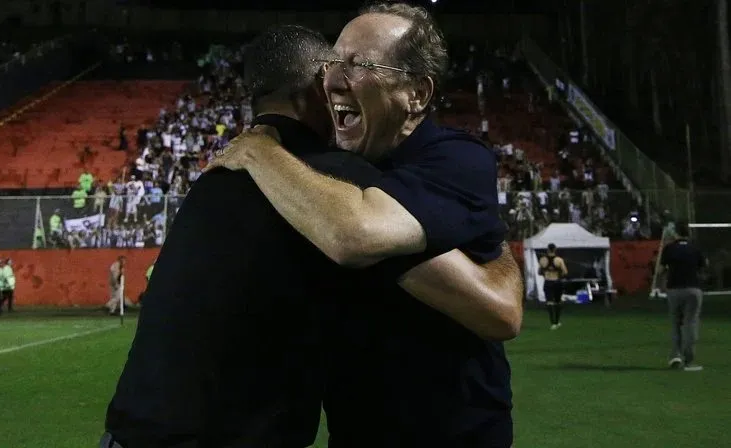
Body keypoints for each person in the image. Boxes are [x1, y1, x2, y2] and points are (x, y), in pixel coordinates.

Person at [102, 25, 520, 448]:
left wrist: (259, 148)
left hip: (129, 429)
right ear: (322, 89)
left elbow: (498, 313)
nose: (341, 81)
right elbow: (495, 307)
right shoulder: (336, 185)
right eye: (337, 67)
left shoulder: (220, 176)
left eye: (359, 65)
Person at [660, 221, 706, 371]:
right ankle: (689, 360)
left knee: (675, 324)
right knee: (690, 323)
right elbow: (704, 266)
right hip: (693, 288)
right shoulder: (695, 248)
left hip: (674, 289)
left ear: (676, 233)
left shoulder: (669, 248)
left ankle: (675, 355)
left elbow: (661, 269)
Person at [538, 242, 568, 329]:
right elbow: (565, 272)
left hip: (547, 282)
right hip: (557, 282)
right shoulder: (559, 260)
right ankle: (557, 321)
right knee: (558, 302)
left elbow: (539, 272)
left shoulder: (542, 260)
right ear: (555, 249)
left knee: (549, 302)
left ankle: (553, 323)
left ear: (547, 250)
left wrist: (546, 273)